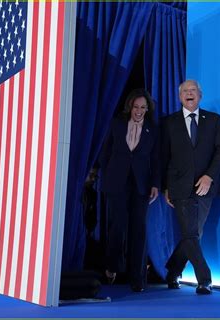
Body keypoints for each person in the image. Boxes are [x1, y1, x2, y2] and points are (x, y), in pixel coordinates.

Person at [161, 80, 220, 294]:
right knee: (190, 234)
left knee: (192, 234)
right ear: (179, 97)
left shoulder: (214, 120)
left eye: (193, 91)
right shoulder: (169, 122)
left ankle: (173, 270)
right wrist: (166, 187)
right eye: (185, 92)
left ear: (200, 95)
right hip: (180, 187)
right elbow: (165, 157)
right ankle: (204, 279)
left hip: (205, 187)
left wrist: (209, 176)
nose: (189, 94)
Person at [99, 88, 160, 292]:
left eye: (143, 107)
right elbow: (105, 153)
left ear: (147, 109)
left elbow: (157, 160)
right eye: (136, 107)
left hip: (141, 185)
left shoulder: (153, 129)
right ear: (130, 107)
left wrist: (155, 184)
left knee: (138, 230)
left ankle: (138, 278)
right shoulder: (116, 124)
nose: (139, 111)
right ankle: (111, 268)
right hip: (117, 182)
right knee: (117, 226)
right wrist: (105, 178)